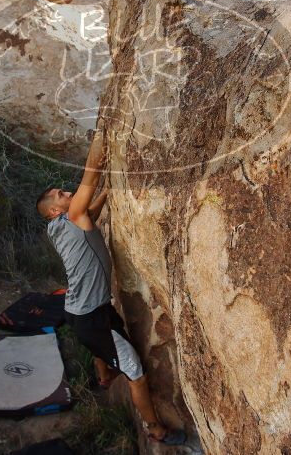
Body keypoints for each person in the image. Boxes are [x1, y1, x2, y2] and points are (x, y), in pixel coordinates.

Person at [36, 126, 186, 446]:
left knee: (102, 346)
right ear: (54, 210)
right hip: (92, 317)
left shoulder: (59, 226)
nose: (67, 193)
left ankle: (104, 377)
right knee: (136, 373)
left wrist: (109, 190)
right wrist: (103, 138)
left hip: (84, 311)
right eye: (62, 194)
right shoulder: (72, 215)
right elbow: (90, 174)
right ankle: (154, 429)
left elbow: (91, 210)